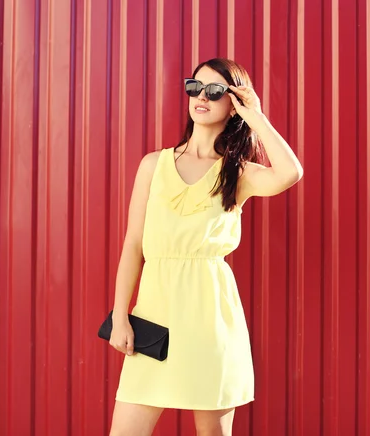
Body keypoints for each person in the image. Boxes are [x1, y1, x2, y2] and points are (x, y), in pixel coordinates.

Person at [107, 58, 303, 436]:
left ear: (233, 104)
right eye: (194, 86)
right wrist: (120, 316)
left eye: (215, 91)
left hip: (210, 322)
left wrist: (256, 116)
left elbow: (290, 173)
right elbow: (133, 245)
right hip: (155, 319)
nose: (201, 96)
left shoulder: (238, 171)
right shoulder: (153, 165)